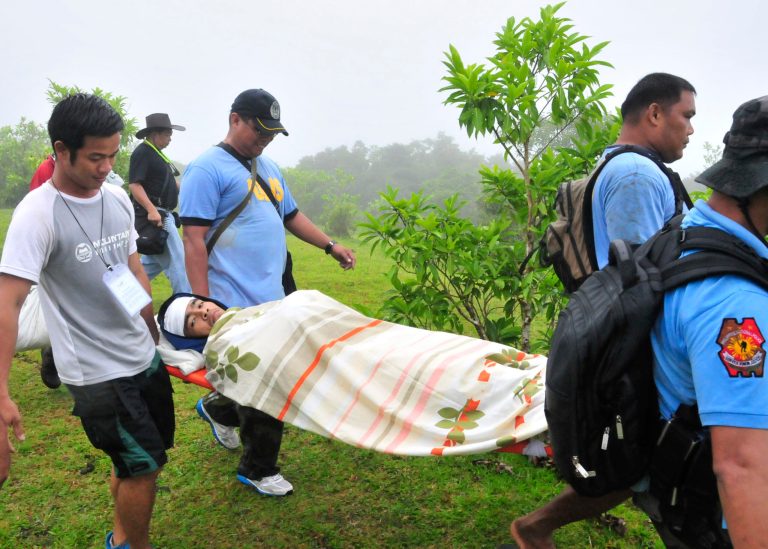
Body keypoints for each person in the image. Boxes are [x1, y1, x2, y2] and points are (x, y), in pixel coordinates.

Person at [510, 72, 696, 548]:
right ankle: (534, 528)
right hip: (635, 346)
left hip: (618, 338)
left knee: (634, 468)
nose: (692, 129)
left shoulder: (621, 165)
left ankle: (534, 529)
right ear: (654, 113)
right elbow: (640, 279)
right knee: (657, 468)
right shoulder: (636, 175)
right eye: (687, 116)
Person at [0, 93, 174, 549]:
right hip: (96, 374)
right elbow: (8, 304)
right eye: (96, 157)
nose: (105, 167)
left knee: (136, 458)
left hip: (140, 353)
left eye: (113, 155)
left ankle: (118, 538)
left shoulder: (116, 198)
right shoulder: (36, 215)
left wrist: (150, 325)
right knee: (144, 465)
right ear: (61, 150)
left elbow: (132, 267)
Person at [179, 88, 356, 496]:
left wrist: (330, 246)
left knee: (255, 375)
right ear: (235, 119)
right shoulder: (206, 170)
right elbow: (193, 239)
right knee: (270, 380)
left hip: (273, 292)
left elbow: (291, 215)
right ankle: (258, 467)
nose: (266, 138)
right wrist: (204, 304)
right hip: (232, 300)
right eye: (259, 130)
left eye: (272, 132)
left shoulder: (270, 167)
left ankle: (218, 409)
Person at [638, 95, 768, 547]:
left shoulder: (688, 229)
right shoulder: (736, 306)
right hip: (720, 517)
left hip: (671, 473)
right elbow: (741, 469)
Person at [129, 113, 191, 294]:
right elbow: (135, 184)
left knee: (151, 265)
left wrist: (192, 188)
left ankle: (120, 296)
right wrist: (151, 210)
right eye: (167, 134)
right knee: (180, 262)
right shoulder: (143, 152)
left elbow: (169, 185)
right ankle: (185, 308)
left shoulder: (157, 155)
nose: (170, 139)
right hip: (158, 217)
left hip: (165, 214)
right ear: (154, 134)